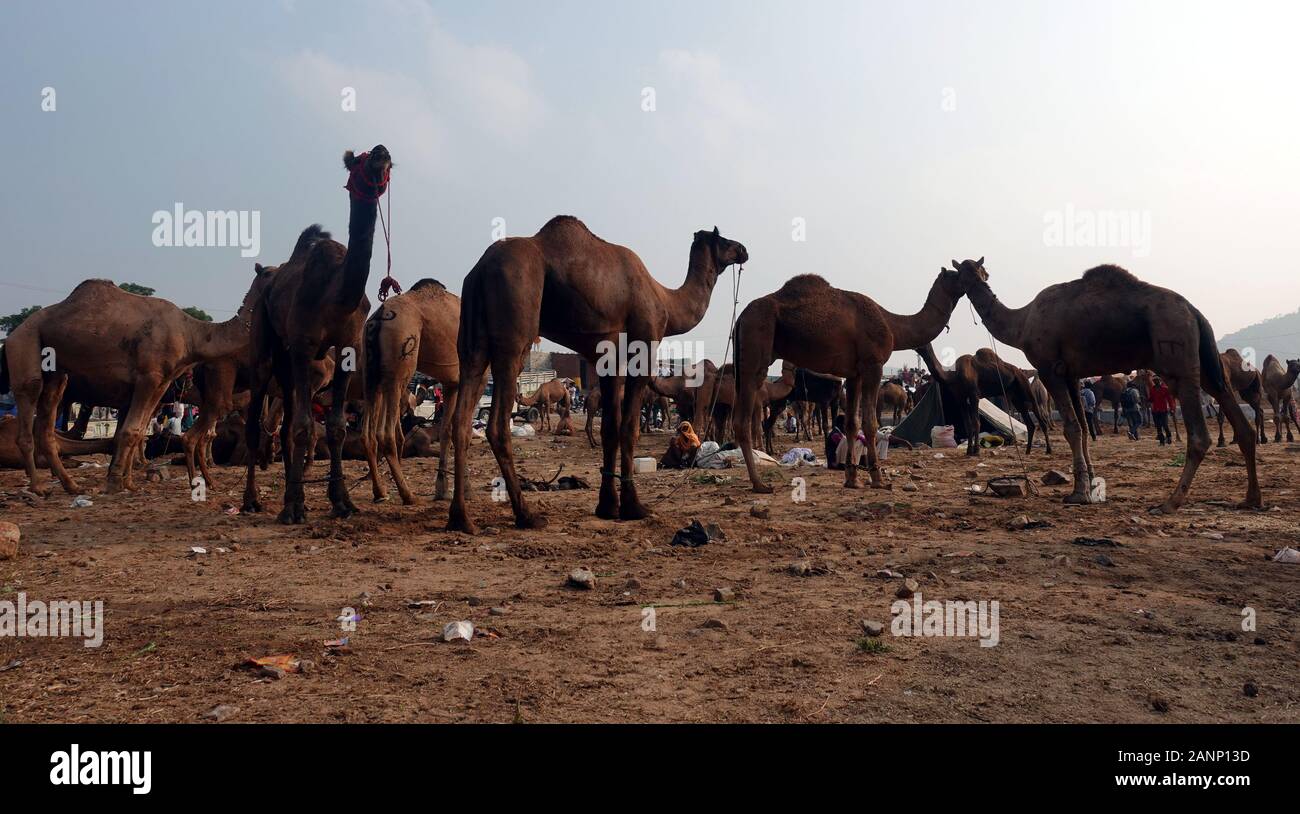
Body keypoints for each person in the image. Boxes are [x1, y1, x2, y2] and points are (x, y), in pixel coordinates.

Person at [1148, 375, 1174, 446]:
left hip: (1164, 410)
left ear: (1160, 381)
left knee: (1165, 425)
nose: (1156, 382)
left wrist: (1172, 409)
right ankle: (1162, 441)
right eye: (1154, 381)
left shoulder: (1165, 389)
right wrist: (1147, 399)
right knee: (1158, 427)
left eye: (1157, 380)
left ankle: (1169, 437)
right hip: (1155, 410)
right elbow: (1151, 399)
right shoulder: (1152, 389)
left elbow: (1170, 400)